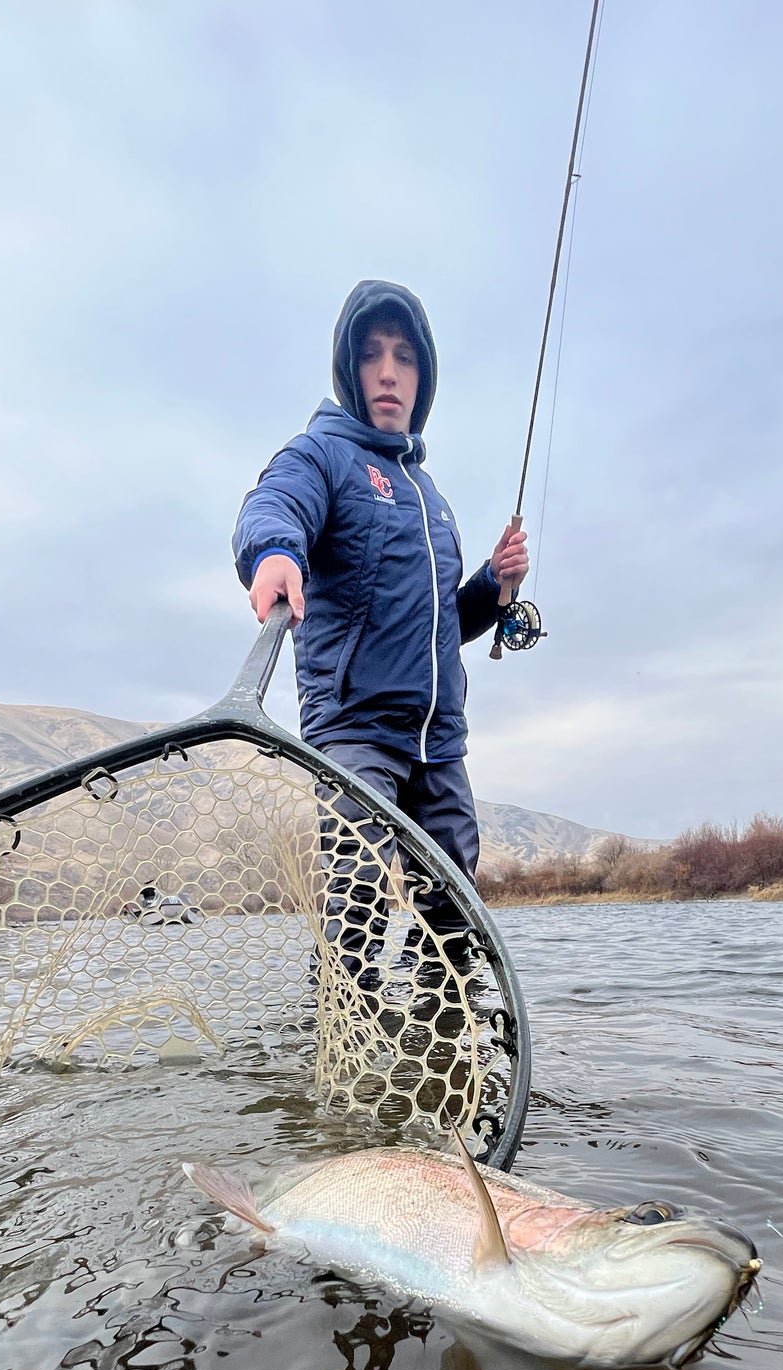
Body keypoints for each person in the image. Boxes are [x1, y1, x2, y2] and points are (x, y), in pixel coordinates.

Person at [232, 278, 527, 987]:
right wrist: (274, 552)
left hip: (439, 741)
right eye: (372, 356)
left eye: (404, 356)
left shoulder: (433, 497)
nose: (389, 371)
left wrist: (493, 585)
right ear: (351, 370)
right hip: (355, 729)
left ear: (422, 376)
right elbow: (273, 503)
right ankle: (333, 1045)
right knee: (359, 889)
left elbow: (439, 623)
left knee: (453, 912)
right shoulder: (321, 453)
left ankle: (439, 1040)